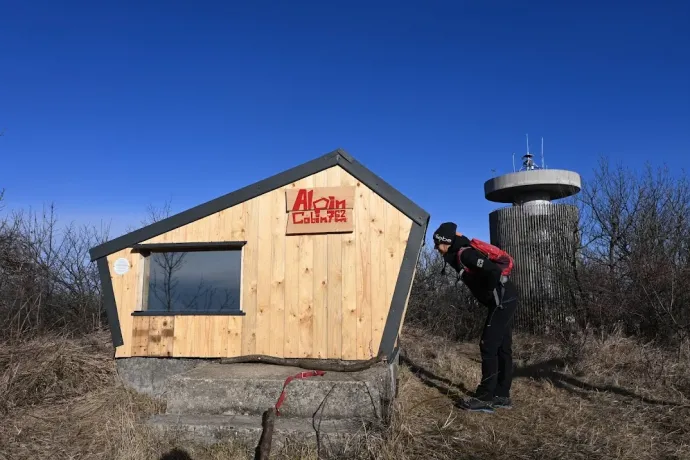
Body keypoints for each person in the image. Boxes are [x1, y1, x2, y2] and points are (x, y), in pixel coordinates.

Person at [432, 222, 518, 413]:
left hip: (501, 301)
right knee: (503, 346)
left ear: (446, 242)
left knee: (488, 346)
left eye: (438, 244)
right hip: (507, 298)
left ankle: (485, 397)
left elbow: (493, 271)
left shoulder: (466, 254)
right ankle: (502, 396)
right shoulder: (460, 252)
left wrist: (488, 292)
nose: (437, 248)